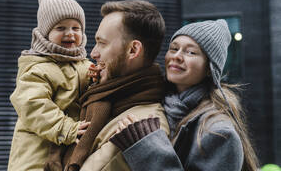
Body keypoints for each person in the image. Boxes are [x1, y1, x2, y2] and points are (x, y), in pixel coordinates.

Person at [110, 19, 259, 171]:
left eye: (191, 52)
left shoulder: (219, 132)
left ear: (209, 69)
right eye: (174, 49)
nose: (177, 56)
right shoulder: (158, 101)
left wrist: (147, 149)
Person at [62, 0, 170, 171]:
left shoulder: (141, 130)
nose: (93, 53)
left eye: (102, 43)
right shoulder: (98, 100)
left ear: (133, 50)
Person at [8, 0, 92, 171]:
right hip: (37, 153)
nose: (70, 33)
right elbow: (33, 105)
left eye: (76, 28)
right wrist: (65, 128)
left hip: (67, 152)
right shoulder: (38, 67)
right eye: (61, 28)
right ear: (46, 34)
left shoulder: (86, 65)